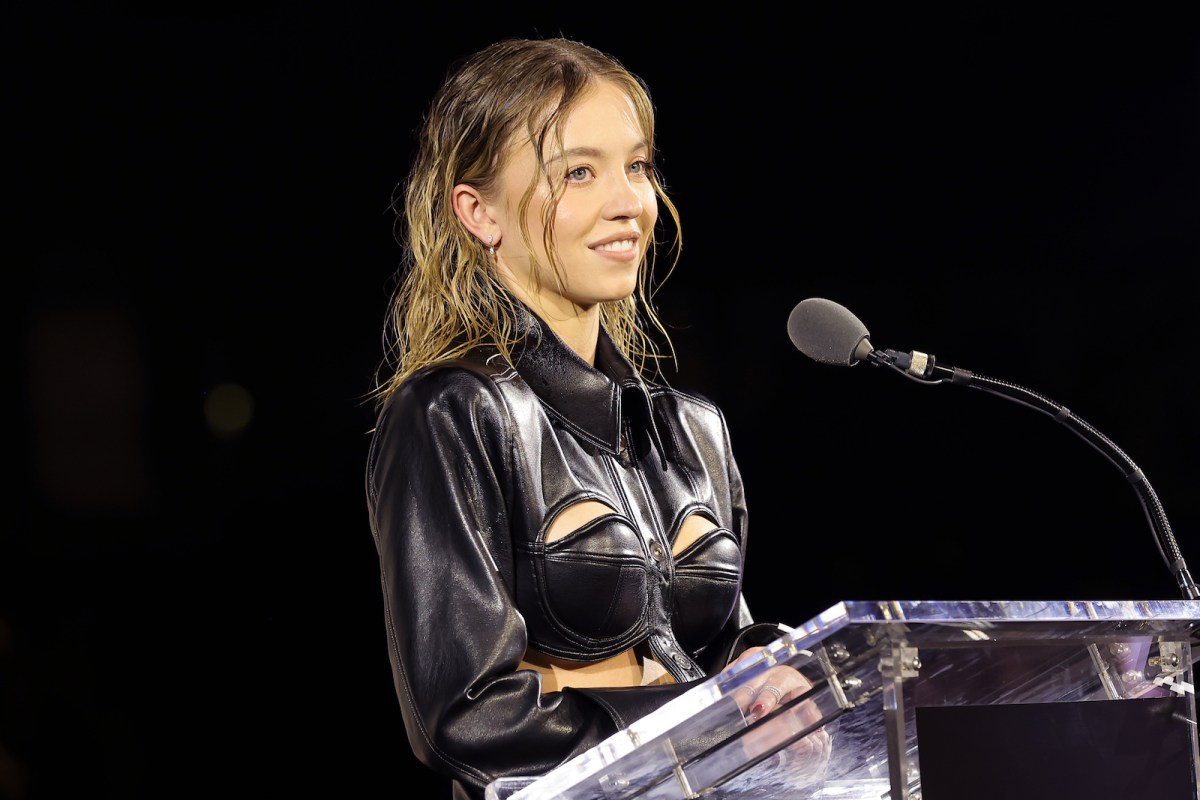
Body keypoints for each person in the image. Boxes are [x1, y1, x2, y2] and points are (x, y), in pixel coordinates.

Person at [364, 36, 828, 799]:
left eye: (638, 166)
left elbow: (717, 647)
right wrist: (709, 716)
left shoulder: (694, 429)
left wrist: (772, 673)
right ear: (478, 212)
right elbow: (466, 716)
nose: (630, 202)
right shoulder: (453, 412)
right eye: (578, 172)